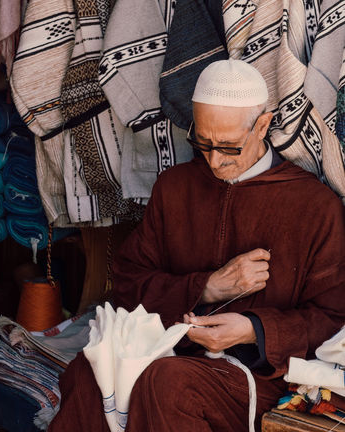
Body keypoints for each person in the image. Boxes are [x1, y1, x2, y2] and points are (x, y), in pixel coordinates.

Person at [48, 59, 345, 432]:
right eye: (202, 143)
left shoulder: (314, 206)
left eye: (229, 147)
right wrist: (205, 287)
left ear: (263, 126)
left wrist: (254, 328)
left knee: (170, 384)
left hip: (262, 377)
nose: (215, 161)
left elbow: (332, 319)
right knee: (88, 374)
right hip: (169, 350)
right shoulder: (175, 187)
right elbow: (127, 283)